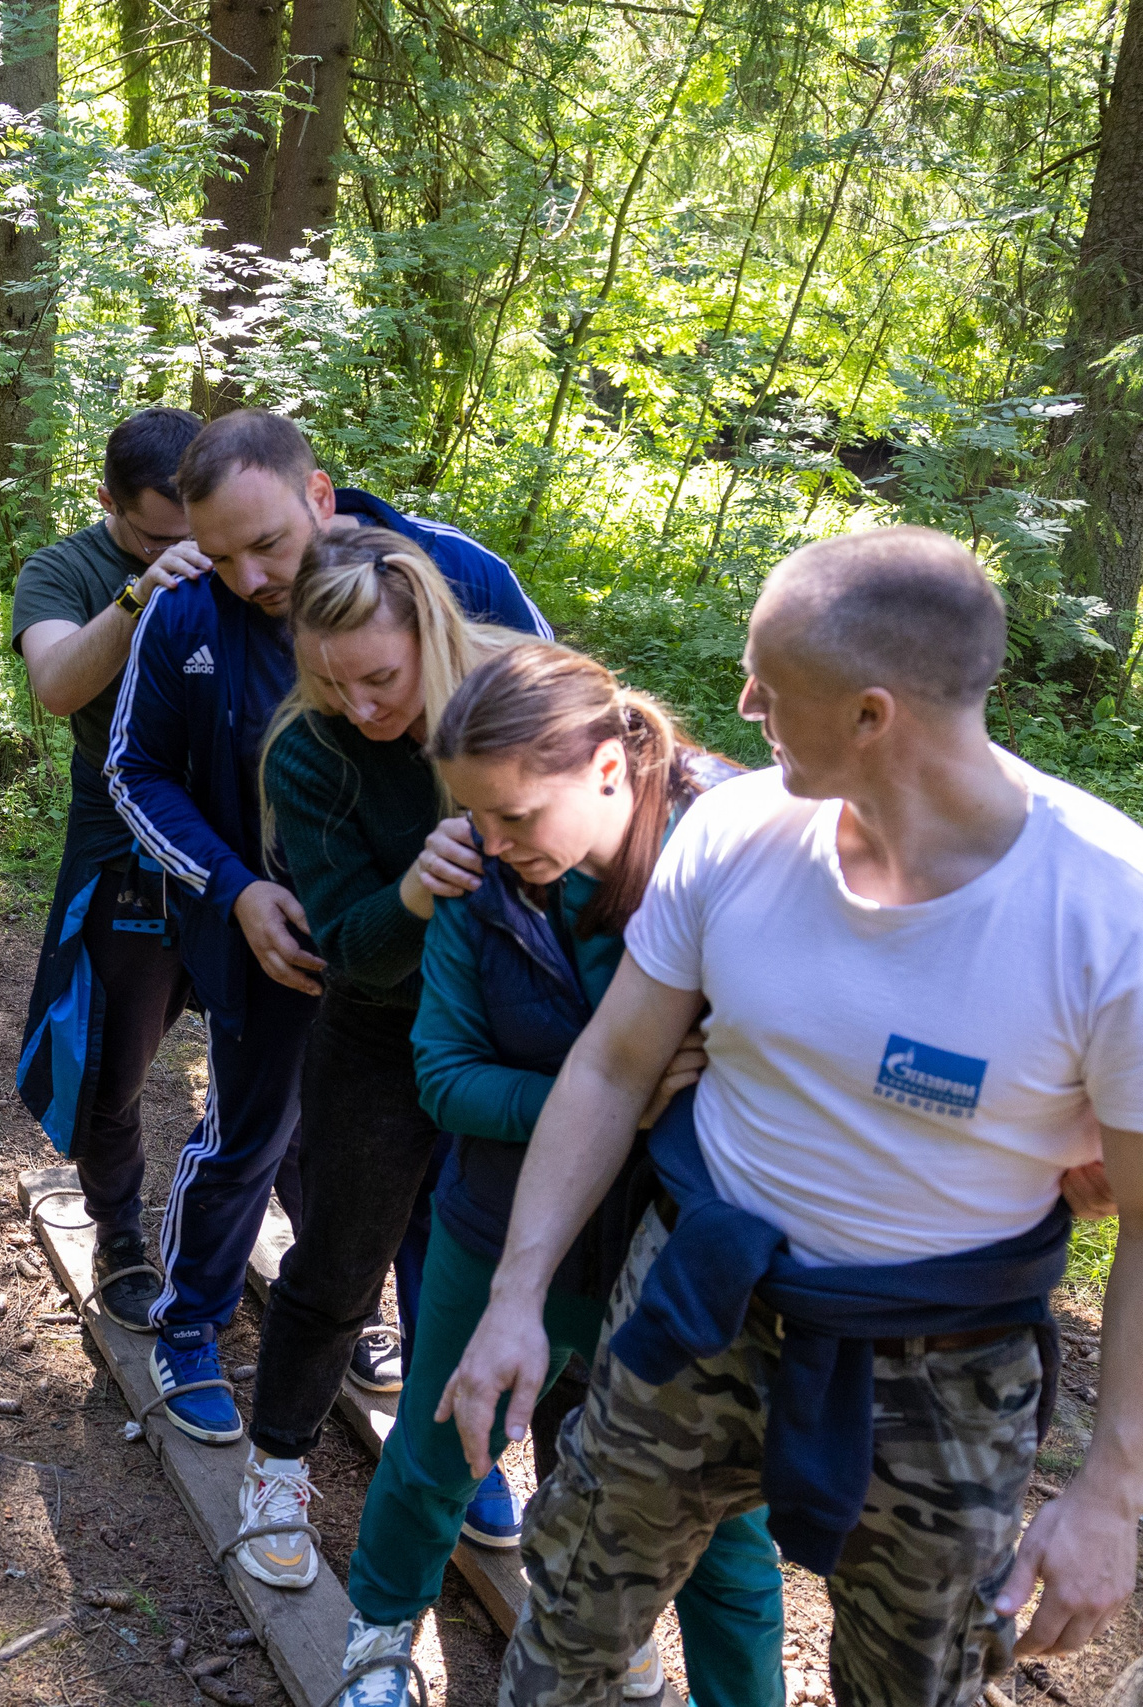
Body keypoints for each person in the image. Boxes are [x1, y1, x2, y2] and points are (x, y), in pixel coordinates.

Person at [440, 527, 1138, 1707]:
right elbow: (611, 1068)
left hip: (943, 1363)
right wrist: (514, 1296)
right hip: (697, 1303)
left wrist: (1110, 1494)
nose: (745, 698)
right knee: (564, 1619)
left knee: (914, 1683)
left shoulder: (1105, 912)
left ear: (872, 716)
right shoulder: (733, 833)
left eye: (771, 681)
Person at [318, 643, 782, 1707]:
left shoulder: (720, 852)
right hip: (501, 1221)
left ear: (609, 769)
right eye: (473, 815)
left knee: (719, 1515)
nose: (489, 841)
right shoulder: (475, 882)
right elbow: (444, 1077)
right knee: (445, 1440)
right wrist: (617, 1093)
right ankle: (380, 1632)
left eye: (516, 815)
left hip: (683, 1242)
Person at [106, 409, 549, 1454]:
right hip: (276, 937)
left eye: (266, 544)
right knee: (250, 1130)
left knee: (425, 1175)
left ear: (318, 495)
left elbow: (555, 723)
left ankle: (393, 1359)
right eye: (218, 554)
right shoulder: (187, 613)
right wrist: (231, 891)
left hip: (443, 964)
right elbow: (136, 771)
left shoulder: (451, 573)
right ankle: (195, 1322)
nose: (249, 577)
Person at [226, 529, 530, 1594]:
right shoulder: (309, 752)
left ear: (431, 632)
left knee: (477, 1252)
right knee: (340, 1256)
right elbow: (343, 946)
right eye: (328, 680)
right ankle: (274, 1461)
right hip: (377, 1022)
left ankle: (464, 1458)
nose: (359, 705)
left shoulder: (513, 692)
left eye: (380, 679)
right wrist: (412, 889)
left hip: (503, 1027)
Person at [11, 407, 210, 1329]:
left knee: (275, 1057)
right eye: (158, 534)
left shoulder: (242, 547)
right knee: (111, 1058)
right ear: (108, 502)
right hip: (121, 845)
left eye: (195, 528)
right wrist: (137, 597)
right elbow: (57, 687)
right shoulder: (67, 569)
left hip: (240, 842)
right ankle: (121, 1233)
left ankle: (266, 1231)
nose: (185, 547)